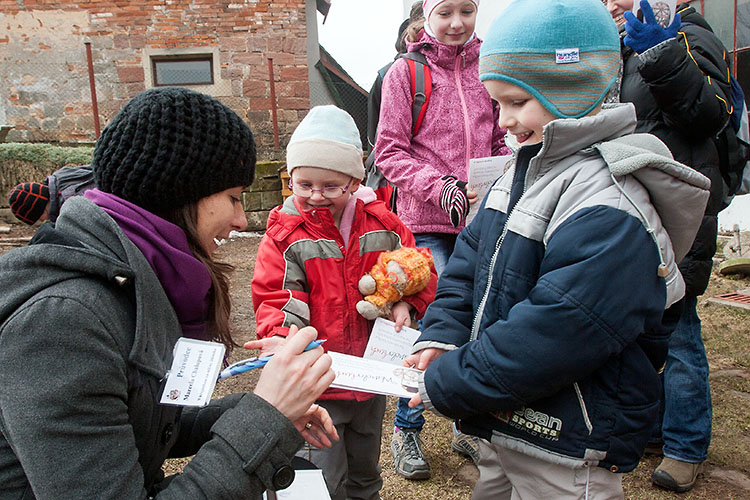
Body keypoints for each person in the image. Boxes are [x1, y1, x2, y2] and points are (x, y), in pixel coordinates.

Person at [404, 0, 712, 498]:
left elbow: (558, 330)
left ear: (570, 89)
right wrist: (440, 336)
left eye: (515, 102)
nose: (502, 121)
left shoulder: (610, 202)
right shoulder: (516, 173)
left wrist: (451, 381)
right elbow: (465, 267)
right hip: (504, 420)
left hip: (569, 442)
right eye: (496, 103)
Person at [0, 87, 338, 500]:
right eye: (232, 197)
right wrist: (264, 417)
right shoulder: (63, 322)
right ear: (178, 192)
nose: (240, 219)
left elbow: (140, 425)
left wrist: (272, 412)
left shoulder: (129, 282)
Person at [249, 105, 437, 500]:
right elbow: (278, 296)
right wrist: (285, 340)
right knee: (321, 478)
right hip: (319, 382)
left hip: (370, 380)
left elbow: (418, 266)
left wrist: (408, 302)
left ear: (354, 181)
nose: (315, 196)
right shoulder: (287, 234)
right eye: (303, 185)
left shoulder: (384, 224)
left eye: (329, 186)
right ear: (291, 178)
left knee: (365, 472)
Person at [374, 0, 509, 479]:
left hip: (480, 220)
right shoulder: (404, 74)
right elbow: (388, 151)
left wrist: (503, 168)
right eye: (445, 11)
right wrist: (441, 187)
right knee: (429, 325)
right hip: (426, 224)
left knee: (479, 319)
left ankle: (464, 424)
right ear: (426, 15)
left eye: (467, 10)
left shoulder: (491, 68)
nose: (457, 23)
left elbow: (500, 136)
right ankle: (407, 426)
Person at [605, 0, 733, 492]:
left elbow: (708, 115)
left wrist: (661, 54)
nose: (612, 5)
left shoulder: (691, 34)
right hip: (634, 203)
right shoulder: (621, 43)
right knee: (641, 326)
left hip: (679, 208)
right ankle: (654, 430)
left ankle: (685, 444)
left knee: (678, 329)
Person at [7, 164, 95, 225]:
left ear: (40, 212)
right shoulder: (60, 175)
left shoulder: (68, 208)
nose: (42, 220)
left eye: (38, 218)